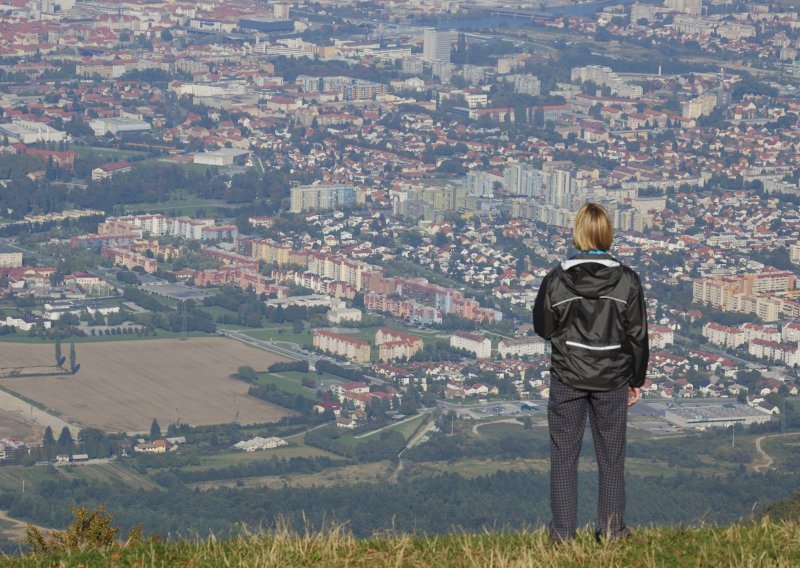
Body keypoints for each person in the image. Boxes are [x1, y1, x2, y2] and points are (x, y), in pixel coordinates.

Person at [533, 203, 649, 543]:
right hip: (612, 378)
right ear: (608, 234)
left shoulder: (556, 279)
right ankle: (613, 531)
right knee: (611, 458)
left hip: (567, 375)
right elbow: (638, 335)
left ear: (578, 233)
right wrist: (636, 380)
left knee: (563, 457)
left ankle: (563, 536)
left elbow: (543, 327)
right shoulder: (627, 280)